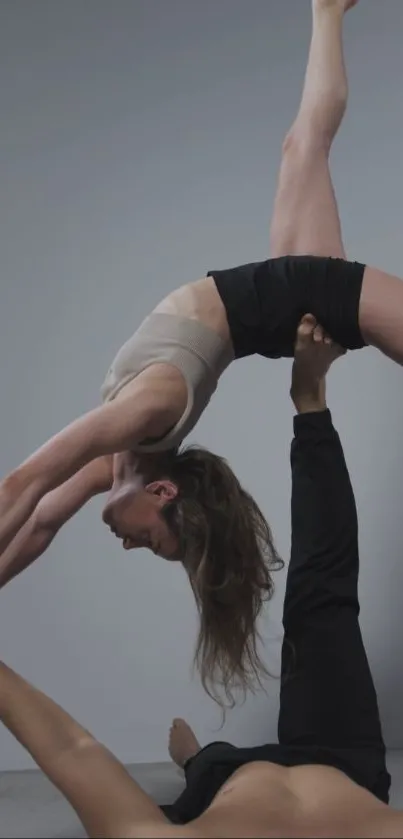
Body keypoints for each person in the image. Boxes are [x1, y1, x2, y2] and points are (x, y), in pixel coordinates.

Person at [0, 0, 399, 698]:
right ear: (161, 491)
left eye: (149, 543)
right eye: (151, 542)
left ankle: (327, 9)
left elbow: (28, 499)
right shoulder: (139, 439)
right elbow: (33, 515)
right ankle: (326, 9)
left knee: (304, 147)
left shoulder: (130, 439)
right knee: (302, 147)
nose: (129, 545)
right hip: (286, 300)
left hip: (278, 303)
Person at [0, 317, 401, 839]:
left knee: (206, 763)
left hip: (226, 778)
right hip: (345, 761)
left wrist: (195, 763)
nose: (126, 544)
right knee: (322, 591)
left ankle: (191, 758)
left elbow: (71, 750)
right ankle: (310, 401)